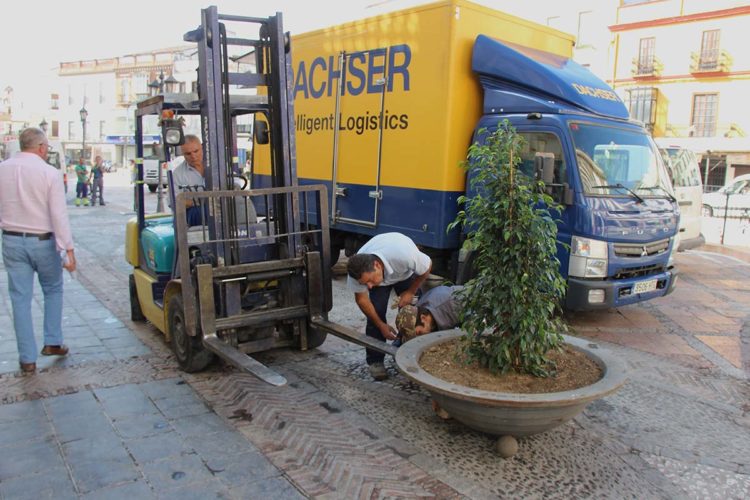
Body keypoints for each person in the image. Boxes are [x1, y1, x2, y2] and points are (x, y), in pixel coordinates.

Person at [0, 128, 76, 374]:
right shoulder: (49, 173)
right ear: (42, 147)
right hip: (43, 241)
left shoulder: (3, 169)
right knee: (53, 289)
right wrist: (68, 250)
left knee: (19, 298)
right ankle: (53, 341)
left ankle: (27, 358)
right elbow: (58, 214)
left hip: (11, 239)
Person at [347, 232, 432, 380]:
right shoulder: (357, 271)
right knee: (375, 314)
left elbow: (427, 266)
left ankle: (407, 349)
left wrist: (410, 292)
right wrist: (381, 325)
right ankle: (375, 361)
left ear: (377, 265)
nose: (369, 286)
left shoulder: (404, 255)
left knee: (412, 314)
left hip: (404, 274)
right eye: (364, 284)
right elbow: (362, 300)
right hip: (384, 277)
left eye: (370, 280)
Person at [395, 285, 464, 344]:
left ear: (423, 318)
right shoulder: (418, 310)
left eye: (419, 333)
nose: (419, 338)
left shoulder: (451, 305)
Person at [170, 135, 206, 226]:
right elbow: (174, 201)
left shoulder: (217, 164)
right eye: (188, 154)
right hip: (194, 215)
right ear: (183, 154)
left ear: (202, 148)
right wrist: (197, 202)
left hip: (220, 209)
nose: (193, 156)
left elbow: (235, 181)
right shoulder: (178, 174)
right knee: (199, 212)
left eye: (196, 151)